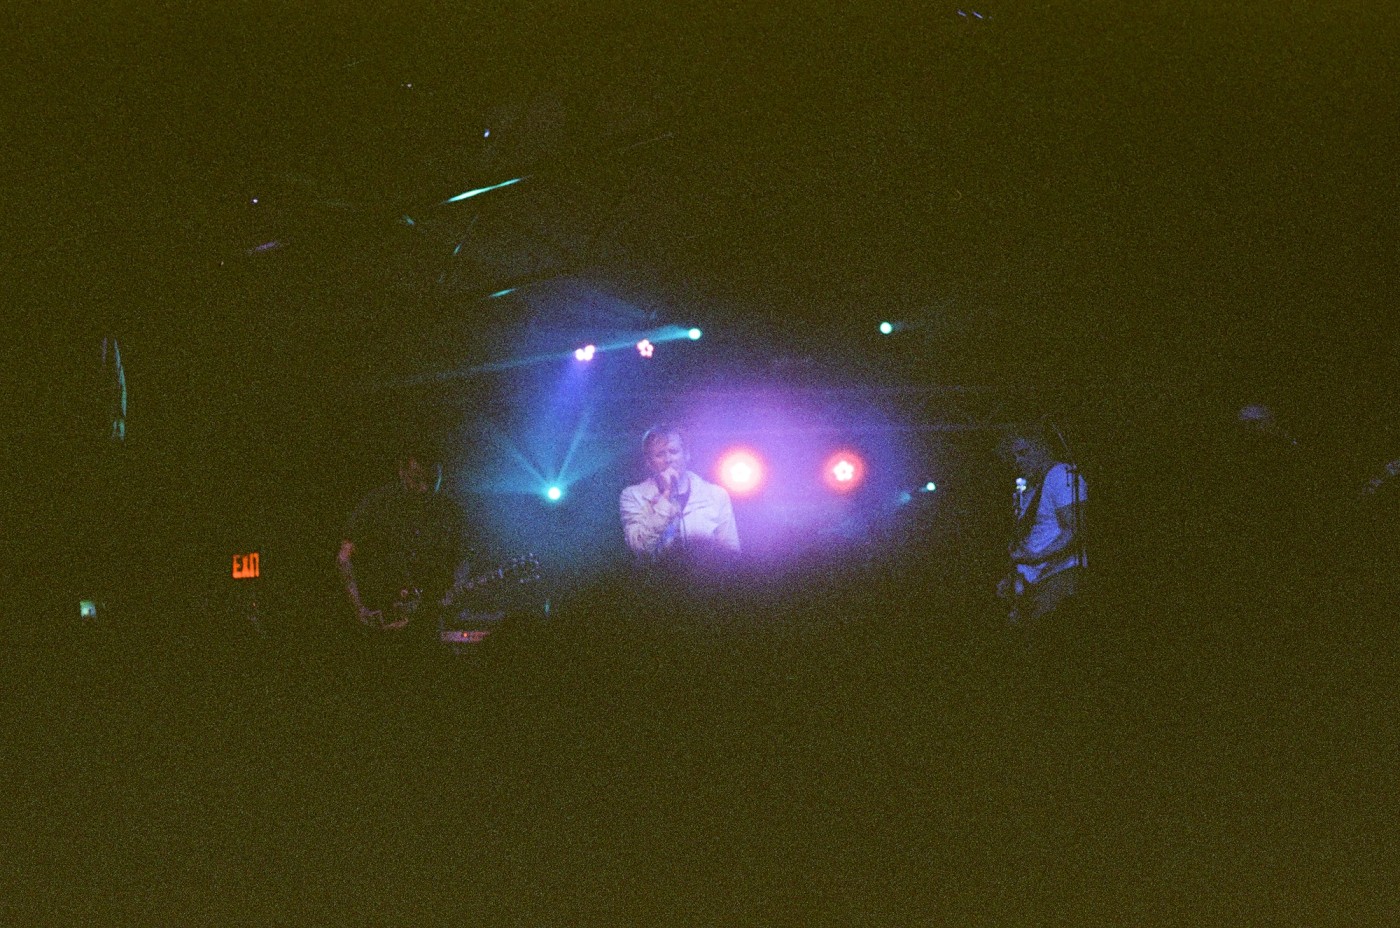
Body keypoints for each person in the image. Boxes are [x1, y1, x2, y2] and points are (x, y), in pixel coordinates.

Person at [337, 445, 473, 652]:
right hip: (379, 621)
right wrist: (360, 609)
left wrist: (455, 589)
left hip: (425, 622)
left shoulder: (447, 511)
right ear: (401, 471)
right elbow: (345, 557)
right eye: (416, 479)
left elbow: (461, 558)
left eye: (432, 481)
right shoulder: (377, 504)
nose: (424, 488)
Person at [996, 429, 1088, 623]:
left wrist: (1035, 558)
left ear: (1042, 448)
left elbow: (1074, 530)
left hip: (1058, 576)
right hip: (1035, 582)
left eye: (1023, 453)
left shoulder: (1060, 475)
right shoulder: (1032, 488)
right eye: (1013, 457)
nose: (1018, 461)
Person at [620, 426, 741, 563]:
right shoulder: (633, 495)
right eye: (660, 454)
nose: (668, 459)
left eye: (674, 451)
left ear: (687, 454)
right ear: (649, 462)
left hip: (706, 580)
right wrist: (666, 495)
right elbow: (639, 547)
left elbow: (731, 550)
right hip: (657, 581)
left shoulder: (715, 495)